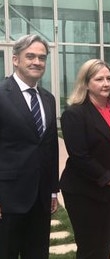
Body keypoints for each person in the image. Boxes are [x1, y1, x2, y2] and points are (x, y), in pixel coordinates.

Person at [59, 59, 110, 259]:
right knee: (90, 248)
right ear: (86, 83)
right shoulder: (74, 114)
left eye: (109, 78)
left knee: (107, 244)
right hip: (85, 191)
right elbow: (79, 156)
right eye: (99, 79)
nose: (106, 83)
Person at [0, 34, 59, 258]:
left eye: (42, 57)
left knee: (38, 253)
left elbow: (50, 147)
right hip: (8, 198)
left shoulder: (47, 98)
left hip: (41, 197)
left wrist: (53, 189)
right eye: (30, 56)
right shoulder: (1, 94)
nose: (37, 62)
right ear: (15, 60)